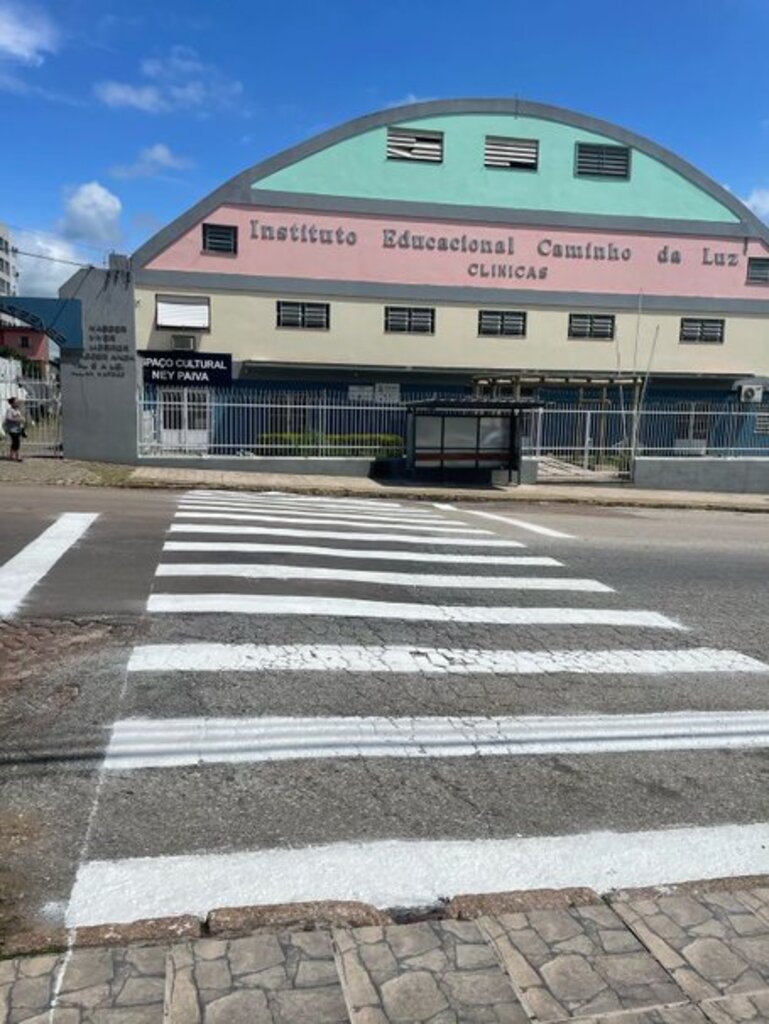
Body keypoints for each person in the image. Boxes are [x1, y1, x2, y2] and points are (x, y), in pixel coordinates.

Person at [4, 397, 25, 462]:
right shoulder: (10, 410)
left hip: (17, 429)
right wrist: (18, 419)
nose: (18, 403)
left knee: (15, 442)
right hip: (12, 429)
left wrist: (22, 420)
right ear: (12, 403)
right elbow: (8, 418)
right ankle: (17, 456)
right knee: (16, 442)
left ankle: (11, 455)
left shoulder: (17, 410)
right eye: (16, 402)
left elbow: (19, 417)